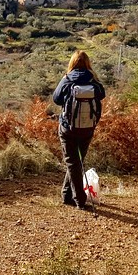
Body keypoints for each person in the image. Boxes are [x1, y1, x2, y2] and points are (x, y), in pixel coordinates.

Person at [52, 50, 106, 210]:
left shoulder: (67, 79)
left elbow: (56, 98)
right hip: (88, 127)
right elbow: (102, 95)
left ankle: (79, 200)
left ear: (72, 63)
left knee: (72, 162)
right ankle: (66, 195)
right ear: (87, 63)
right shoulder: (93, 79)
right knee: (77, 161)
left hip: (68, 128)